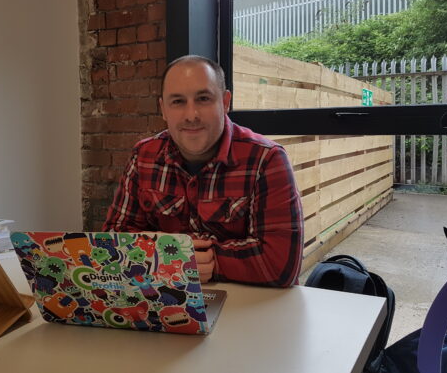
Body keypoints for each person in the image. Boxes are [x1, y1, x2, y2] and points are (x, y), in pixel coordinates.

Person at [103, 55, 304, 286]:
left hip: (250, 309)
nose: (191, 115)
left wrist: (203, 260)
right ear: (163, 109)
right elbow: (112, 242)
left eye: (203, 99)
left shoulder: (267, 159)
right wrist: (175, 257)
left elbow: (280, 265)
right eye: (177, 102)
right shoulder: (143, 156)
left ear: (225, 102)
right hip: (164, 300)